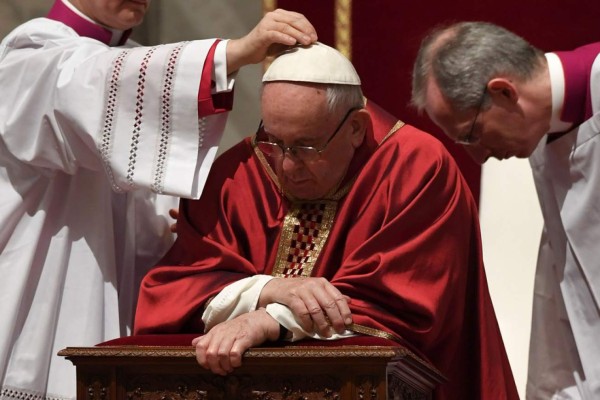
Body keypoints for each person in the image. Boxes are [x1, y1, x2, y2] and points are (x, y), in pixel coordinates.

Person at [134, 41, 518, 399]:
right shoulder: (239, 171)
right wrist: (269, 290)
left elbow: (403, 301)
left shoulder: (417, 168)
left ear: (355, 127)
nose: (286, 165)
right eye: (274, 140)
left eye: (306, 146)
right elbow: (178, 284)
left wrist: (271, 321)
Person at [0, 1, 317, 399]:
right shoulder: (29, 54)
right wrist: (233, 53)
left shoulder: (125, 66)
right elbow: (89, 80)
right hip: (40, 302)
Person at [411, 21, 600, 399]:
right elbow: (572, 295)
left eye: (471, 135)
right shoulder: (544, 137)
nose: (478, 156)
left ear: (503, 91)